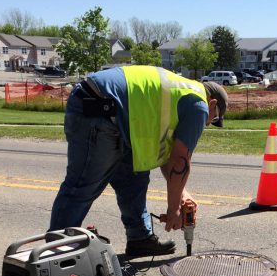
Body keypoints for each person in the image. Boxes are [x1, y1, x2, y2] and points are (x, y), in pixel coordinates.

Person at [49, 65, 228, 257]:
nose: (209, 123)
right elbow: (180, 160)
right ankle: (57, 253)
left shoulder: (182, 93)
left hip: (111, 111)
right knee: (82, 185)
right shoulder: (198, 104)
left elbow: (168, 157)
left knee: (134, 178)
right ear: (212, 102)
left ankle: (139, 238)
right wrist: (174, 209)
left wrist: (182, 194)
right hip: (99, 107)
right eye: (215, 118)